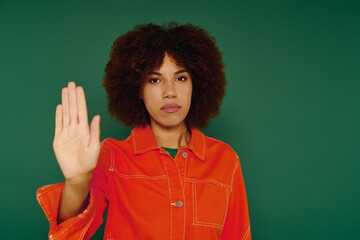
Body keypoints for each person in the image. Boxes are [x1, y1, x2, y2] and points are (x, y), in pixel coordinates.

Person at [36, 22, 252, 240]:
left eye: (180, 78)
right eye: (155, 80)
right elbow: (70, 234)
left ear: (196, 84)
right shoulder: (111, 157)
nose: (170, 92)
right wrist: (77, 182)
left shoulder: (225, 160)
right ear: (138, 89)